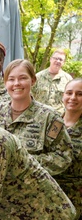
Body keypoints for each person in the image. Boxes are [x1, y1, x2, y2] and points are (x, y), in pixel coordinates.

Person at [0, 59, 73, 176]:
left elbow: (63, 155)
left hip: (32, 190)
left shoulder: (49, 117)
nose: (16, 83)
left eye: (23, 78)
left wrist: (25, 163)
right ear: (5, 83)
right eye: (11, 79)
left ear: (33, 80)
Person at [55, 78, 82, 219]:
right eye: (69, 93)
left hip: (76, 200)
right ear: (63, 96)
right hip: (49, 196)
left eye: (79, 94)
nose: (73, 98)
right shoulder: (51, 121)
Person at [32, 49, 73, 114]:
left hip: (59, 117)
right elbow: (31, 96)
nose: (58, 61)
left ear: (64, 62)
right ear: (50, 59)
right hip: (40, 116)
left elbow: (71, 99)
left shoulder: (68, 79)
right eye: (56, 58)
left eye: (61, 59)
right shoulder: (38, 77)